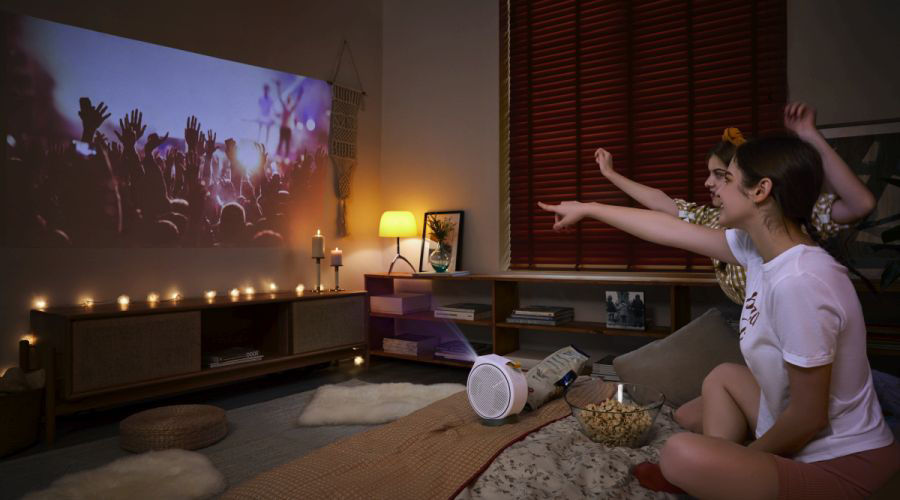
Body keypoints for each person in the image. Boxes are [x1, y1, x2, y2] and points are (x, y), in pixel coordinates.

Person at [538, 136, 899, 498]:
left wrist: (734, 460)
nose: (716, 188)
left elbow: (809, 417)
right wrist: (589, 208)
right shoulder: (757, 250)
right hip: (807, 437)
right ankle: (718, 473)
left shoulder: (799, 281)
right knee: (722, 377)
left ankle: (715, 476)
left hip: (839, 463)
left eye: (727, 178)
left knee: (680, 454)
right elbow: (670, 230)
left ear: (760, 190)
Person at [596, 102, 875, 305]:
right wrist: (609, 176)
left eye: (723, 176)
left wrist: (809, 135)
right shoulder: (724, 228)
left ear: (758, 187)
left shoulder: (793, 235)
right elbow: (663, 210)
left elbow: (860, 204)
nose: (708, 183)